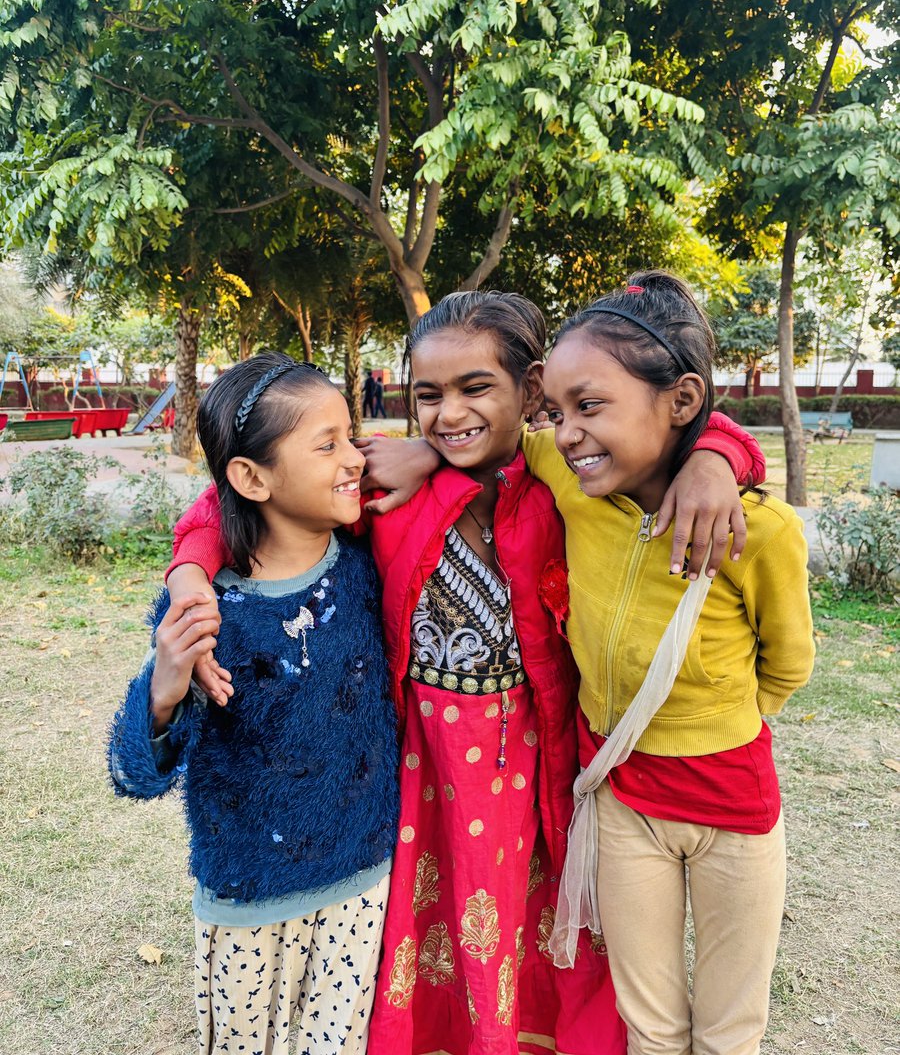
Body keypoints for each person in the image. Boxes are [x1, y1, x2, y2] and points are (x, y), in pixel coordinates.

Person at [165, 292, 762, 1055]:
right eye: (427, 395)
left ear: (533, 390)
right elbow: (236, 495)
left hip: (542, 766)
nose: (448, 414)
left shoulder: (569, 487)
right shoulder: (385, 488)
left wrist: (717, 459)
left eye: (475, 388)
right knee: (433, 938)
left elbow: (695, 428)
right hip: (424, 775)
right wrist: (190, 572)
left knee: (534, 933)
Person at [530, 272, 814, 1055]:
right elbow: (485, 437)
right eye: (555, 412)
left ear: (682, 401)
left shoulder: (761, 533)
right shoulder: (573, 481)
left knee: (730, 1028)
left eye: (589, 407)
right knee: (649, 1023)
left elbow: (787, 666)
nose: (566, 434)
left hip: (733, 809)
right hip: (624, 803)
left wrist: (718, 455)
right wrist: (420, 450)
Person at [107, 353, 400, 1055]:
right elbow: (136, 771)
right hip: (244, 899)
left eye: (349, 435)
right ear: (250, 476)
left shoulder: (369, 565)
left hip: (362, 885)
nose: (353, 458)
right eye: (325, 445)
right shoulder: (207, 609)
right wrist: (164, 689)